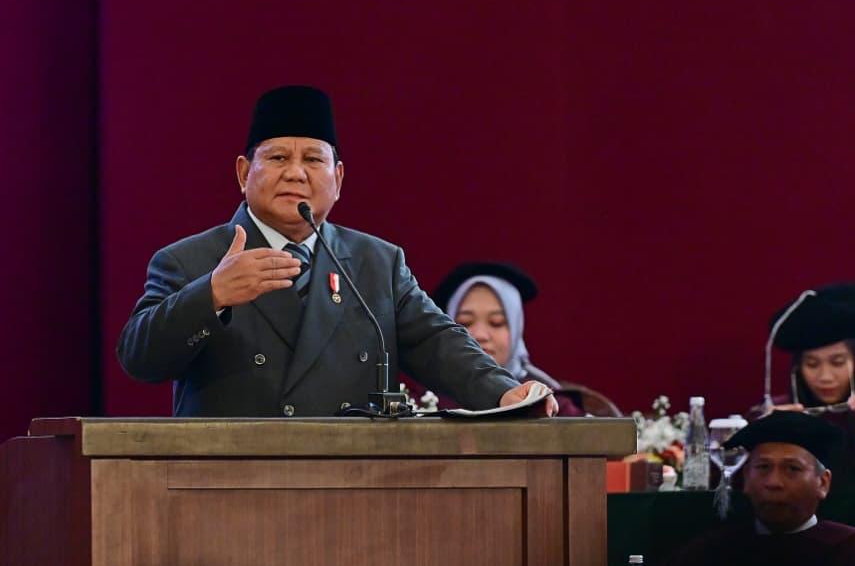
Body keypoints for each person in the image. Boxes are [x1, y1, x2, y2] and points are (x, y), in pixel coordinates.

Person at [116, 85, 555, 417]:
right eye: (278, 158)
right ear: (244, 173)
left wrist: (504, 390)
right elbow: (139, 358)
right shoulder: (189, 261)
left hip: (348, 487)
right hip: (229, 486)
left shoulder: (377, 264)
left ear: (338, 178)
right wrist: (211, 294)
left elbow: (437, 341)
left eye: (312, 159)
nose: (296, 173)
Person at [663, 411, 855, 566]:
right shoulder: (709, 554)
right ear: (745, 479)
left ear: (823, 483)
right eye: (763, 467)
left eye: (792, 469)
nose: (774, 482)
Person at [758, 283, 855, 492]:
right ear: (798, 368)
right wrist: (763, 437)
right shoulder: (774, 413)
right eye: (812, 364)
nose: (825, 377)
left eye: (837, 362)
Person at [434, 261, 583, 416]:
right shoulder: (424, 400)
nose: (480, 335)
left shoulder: (550, 406)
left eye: (496, 323)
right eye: (465, 323)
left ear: (516, 329)